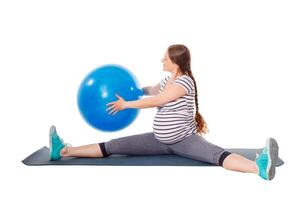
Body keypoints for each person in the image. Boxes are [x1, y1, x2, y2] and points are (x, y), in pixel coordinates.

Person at [49, 44, 279, 181]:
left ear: (176, 62)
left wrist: (125, 105)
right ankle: (64, 150)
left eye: (165, 58)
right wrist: (135, 91)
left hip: (182, 141)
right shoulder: (170, 78)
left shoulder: (184, 82)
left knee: (217, 155)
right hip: (158, 140)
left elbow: (157, 101)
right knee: (113, 146)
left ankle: (257, 168)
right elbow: (153, 90)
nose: (162, 59)